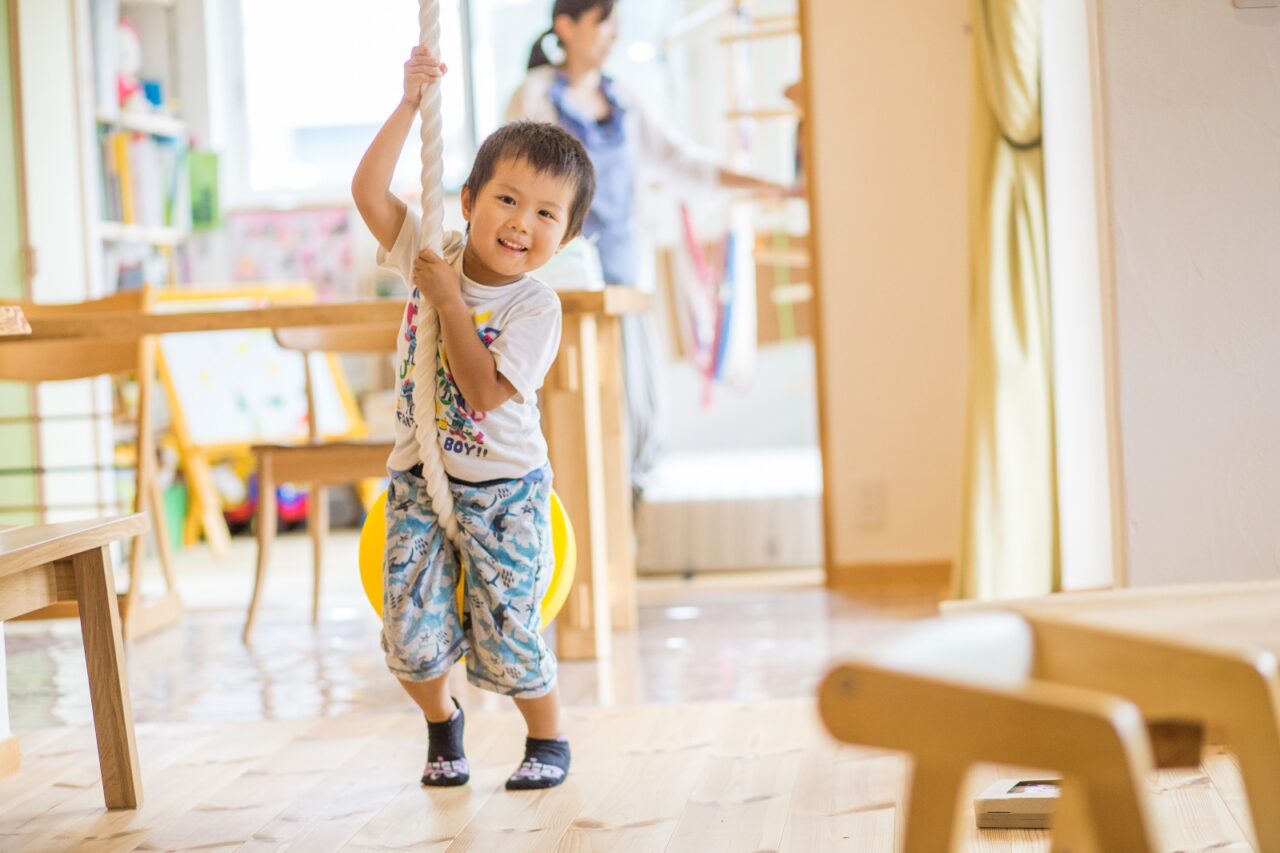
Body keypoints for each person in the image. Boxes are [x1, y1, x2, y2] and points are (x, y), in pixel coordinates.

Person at [352, 46, 596, 791]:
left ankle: (548, 738)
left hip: (505, 492)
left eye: (546, 213)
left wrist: (447, 301)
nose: (522, 222)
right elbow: (368, 191)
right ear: (467, 200)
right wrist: (407, 105)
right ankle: (442, 724)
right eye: (508, 199)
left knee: (510, 633)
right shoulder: (435, 251)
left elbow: (485, 391)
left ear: (567, 237)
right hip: (420, 479)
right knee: (409, 635)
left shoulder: (535, 306)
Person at [507, 0, 788, 492]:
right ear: (566, 27)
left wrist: (760, 183)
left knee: (637, 420)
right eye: (604, 22)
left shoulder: (627, 102)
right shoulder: (534, 95)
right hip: (557, 291)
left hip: (624, 284)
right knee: (565, 426)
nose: (614, 33)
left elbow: (685, 163)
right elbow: (508, 181)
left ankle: (624, 542)